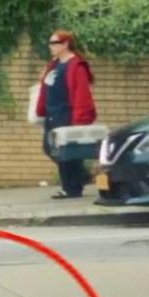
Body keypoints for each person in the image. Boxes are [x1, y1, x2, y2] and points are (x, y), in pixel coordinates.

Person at [35, 29, 97, 199]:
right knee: (51, 149)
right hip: (52, 114)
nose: (50, 47)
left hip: (66, 114)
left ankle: (72, 188)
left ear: (65, 44)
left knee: (66, 152)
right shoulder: (54, 64)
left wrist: (80, 119)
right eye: (50, 43)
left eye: (54, 43)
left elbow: (82, 93)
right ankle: (80, 177)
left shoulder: (75, 65)